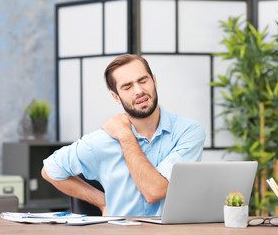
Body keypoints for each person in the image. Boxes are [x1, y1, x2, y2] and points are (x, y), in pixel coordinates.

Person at [41, 54, 206, 216]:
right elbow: (50, 170)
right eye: (127, 87)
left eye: (143, 81)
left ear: (154, 81)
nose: (139, 91)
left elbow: (154, 191)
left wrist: (125, 136)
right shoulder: (101, 141)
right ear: (116, 97)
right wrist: (102, 202)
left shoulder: (188, 132)